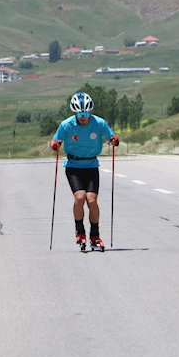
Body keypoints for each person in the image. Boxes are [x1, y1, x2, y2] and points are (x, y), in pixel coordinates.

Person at [51, 92, 119, 250]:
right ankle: (79, 231)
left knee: (92, 200)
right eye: (80, 113)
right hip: (73, 166)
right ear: (75, 112)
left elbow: (112, 137)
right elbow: (55, 140)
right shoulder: (66, 125)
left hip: (91, 165)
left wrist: (114, 141)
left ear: (90, 111)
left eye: (86, 113)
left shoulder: (99, 123)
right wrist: (55, 145)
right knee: (80, 198)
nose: (83, 117)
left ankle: (95, 235)